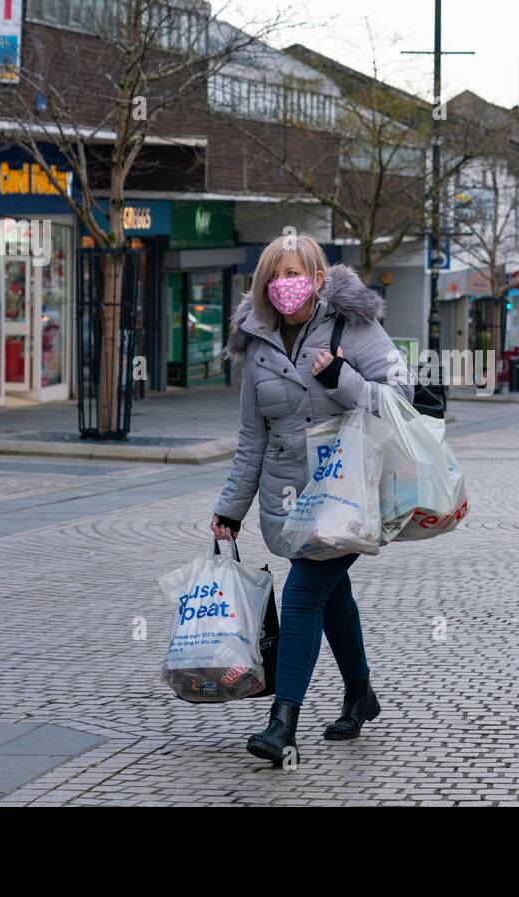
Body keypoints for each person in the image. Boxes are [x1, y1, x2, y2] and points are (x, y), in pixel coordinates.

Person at [210, 233, 411, 766]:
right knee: (331, 596)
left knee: (301, 596)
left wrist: (341, 377)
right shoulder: (255, 340)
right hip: (290, 496)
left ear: (319, 278)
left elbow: (401, 399)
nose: (283, 286)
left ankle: (282, 723)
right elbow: (252, 436)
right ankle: (360, 694)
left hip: (346, 493)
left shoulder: (355, 327)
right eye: (273, 276)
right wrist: (231, 508)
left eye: (293, 274)